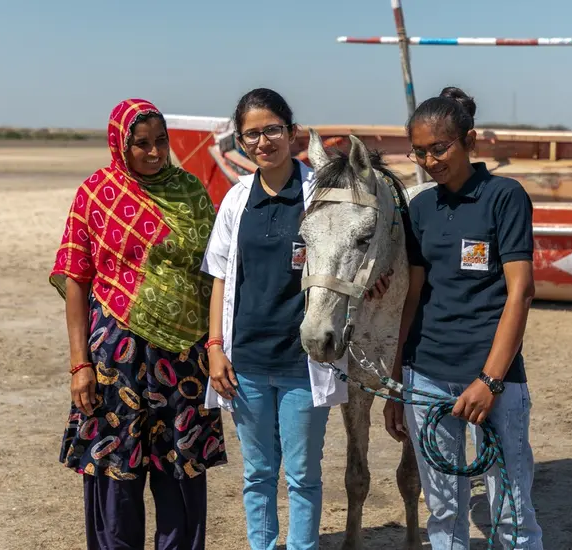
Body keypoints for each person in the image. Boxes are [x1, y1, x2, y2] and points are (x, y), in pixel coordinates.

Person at [200, 87, 391, 550]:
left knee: (303, 474)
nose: (263, 141)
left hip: (302, 359)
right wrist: (215, 348)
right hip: (244, 358)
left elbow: (358, 244)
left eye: (272, 130)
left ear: (292, 133)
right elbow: (222, 277)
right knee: (258, 473)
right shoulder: (235, 199)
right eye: (251, 134)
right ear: (240, 142)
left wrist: (373, 279)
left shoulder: (320, 192)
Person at [50, 98, 227, 550]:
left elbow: (216, 274)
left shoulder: (190, 192)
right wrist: (79, 365)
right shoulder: (95, 193)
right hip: (116, 356)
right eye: (141, 144)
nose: (154, 152)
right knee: (115, 472)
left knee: (181, 471)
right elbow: (76, 280)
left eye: (161, 142)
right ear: (119, 145)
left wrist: (215, 344)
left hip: (185, 360)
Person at [382, 87, 544, 550]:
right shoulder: (420, 208)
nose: (430, 160)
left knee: (512, 510)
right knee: (445, 511)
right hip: (426, 376)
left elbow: (522, 292)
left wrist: (489, 381)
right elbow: (412, 297)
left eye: (440, 147)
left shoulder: (505, 197)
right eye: (419, 151)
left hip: (495, 379)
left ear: (468, 140)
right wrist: (398, 386)